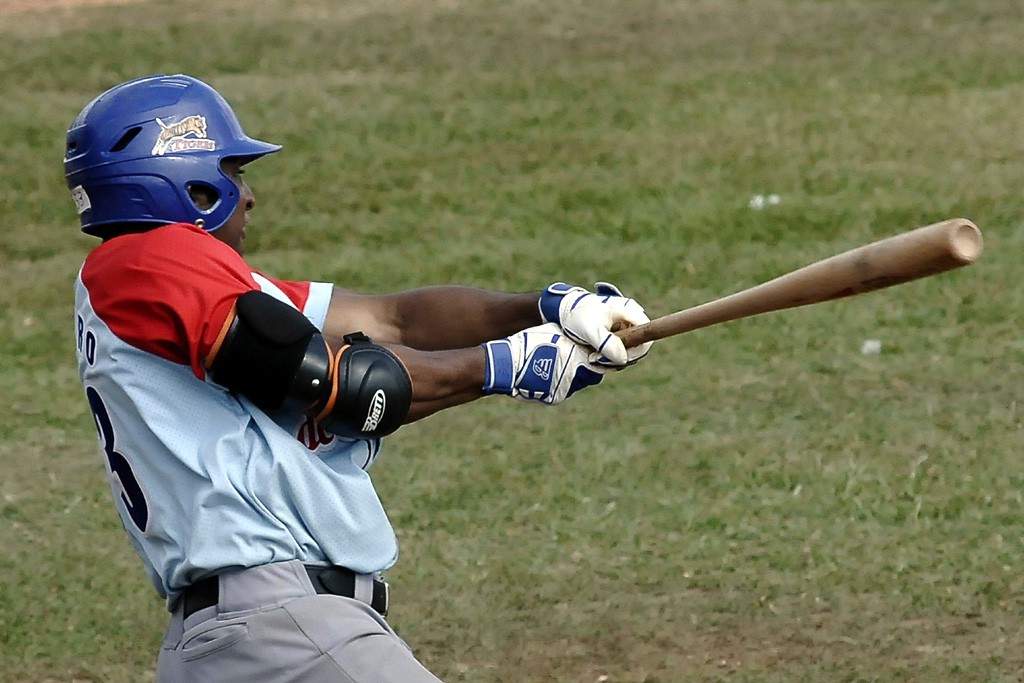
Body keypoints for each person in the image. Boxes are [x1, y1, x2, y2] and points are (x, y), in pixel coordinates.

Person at [67, 73, 653, 683]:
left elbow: (391, 319)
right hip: (283, 630)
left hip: (239, 639)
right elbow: (345, 387)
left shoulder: (175, 286)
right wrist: (506, 368)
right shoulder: (148, 261)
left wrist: (544, 308)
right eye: (235, 172)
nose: (248, 196)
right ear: (188, 181)